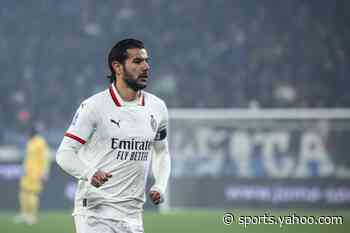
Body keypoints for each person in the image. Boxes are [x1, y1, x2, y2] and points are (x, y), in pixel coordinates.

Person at [56, 38, 171, 233]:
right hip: (95, 214)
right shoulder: (94, 107)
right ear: (117, 67)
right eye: (137, 61)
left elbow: (162, 152)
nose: (146, 67)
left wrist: (159, 185)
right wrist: (90, 173)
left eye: (146, 61)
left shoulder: (157, 108)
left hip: (133, 215)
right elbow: (64, 153)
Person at [14, 126, 50, 225]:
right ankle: (24, 214)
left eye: (28, 132)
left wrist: (44, 172)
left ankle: (32, 216)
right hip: (27, 172)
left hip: (36, 173)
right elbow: (27, 157)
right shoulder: (30, 142)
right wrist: (23, 168)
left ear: (32, 132)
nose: (27, 135)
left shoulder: (41, 142)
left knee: (32, 194)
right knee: (23, 192)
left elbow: (45, 158)